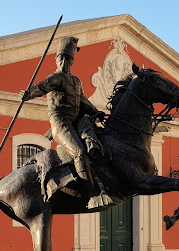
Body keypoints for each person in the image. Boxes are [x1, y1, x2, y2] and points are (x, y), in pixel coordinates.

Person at [20, 36, 111, 208]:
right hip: (61, 123)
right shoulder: (56, 78)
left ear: (72, 61)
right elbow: (41, 87)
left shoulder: (76, 81)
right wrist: (28, 94)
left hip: (76, 122)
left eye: (68, 58)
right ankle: (91, 196)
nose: (64, 62)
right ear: (56, 59)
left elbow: (84, 101)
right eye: (61, 58)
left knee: (97, 146)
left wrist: (96, 112)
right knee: (79, 152)